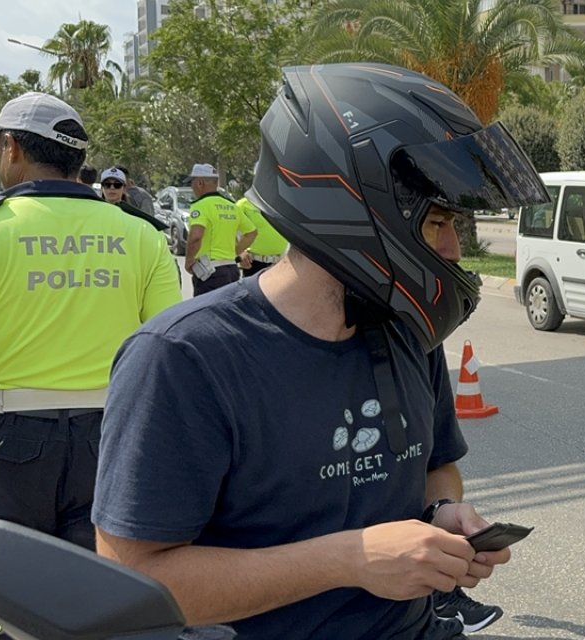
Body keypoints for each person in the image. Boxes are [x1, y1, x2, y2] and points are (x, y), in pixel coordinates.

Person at [91, 63, 549, 640]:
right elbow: (134, 579)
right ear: (355, 207)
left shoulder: (406, 333)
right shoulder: (184, 360)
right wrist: (348, 559)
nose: (454, 249)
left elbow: (437, 469)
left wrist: (440, 517)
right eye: (436, 222)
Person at [0, 92, 181, 556]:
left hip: (12, 435)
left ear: (12, 148)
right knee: (99, 590)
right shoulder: (140, 232)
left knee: (21, 598)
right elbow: (168, 349)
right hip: (113, 431)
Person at [183, 163, 256, 296]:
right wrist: (234, 252)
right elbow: (251, 233)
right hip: (232, 270)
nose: (191, 187)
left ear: (200, 183)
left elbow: (196, 237)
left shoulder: (200, 206)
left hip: (210, 272)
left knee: (206, 313)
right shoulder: (231, 206)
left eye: (191, 183)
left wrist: (189, 260)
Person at [100, 166, 167, 232]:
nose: (112, 188)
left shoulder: (141, 198)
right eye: (107, 184)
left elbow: (148, 226)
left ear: (124, 188)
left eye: (117, 185)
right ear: (102, 188)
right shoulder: (95, 212)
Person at [235, 194, 288, 278]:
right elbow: (230, 231)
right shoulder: (243, 204)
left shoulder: (283, 204)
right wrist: (240, 253)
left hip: (281, 263)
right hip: (253, 263)